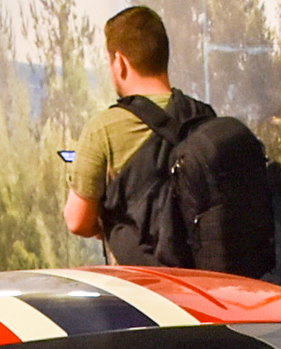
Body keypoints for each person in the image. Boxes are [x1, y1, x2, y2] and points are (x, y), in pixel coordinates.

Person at [62, 7, 197, 260]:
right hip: (205, 284)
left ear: (120, 63)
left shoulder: (103, 129)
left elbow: (77, 220)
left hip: (144, 286)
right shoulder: (201, 115)